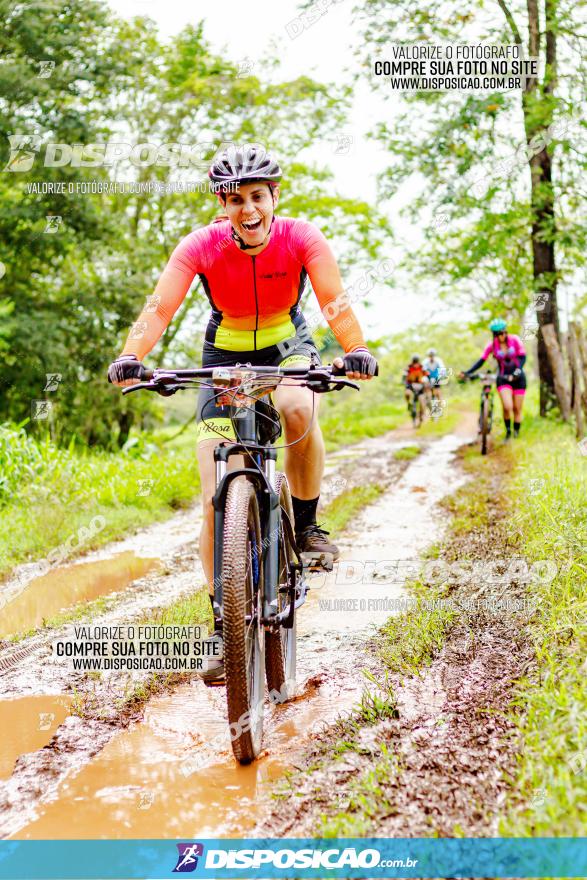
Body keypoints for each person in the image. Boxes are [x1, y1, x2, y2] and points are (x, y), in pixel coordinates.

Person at [108, 144, 378, 680]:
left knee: (299, 404)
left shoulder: (302, 237)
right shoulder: (201, 245)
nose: (248, 209)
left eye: (257, 196)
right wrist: (131, 357)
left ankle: (305, 527)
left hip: (287, 346)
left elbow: (334, 303)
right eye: (235, 200)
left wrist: (355, 349)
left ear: (274, 196)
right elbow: (160, 308)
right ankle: (221, 623)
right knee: (213, 469)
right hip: (222, 357)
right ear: (222, 203)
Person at [459, 318, 527, 439]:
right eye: (499, 334)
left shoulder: (515, 340)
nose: (502, 335)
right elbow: (481, 361)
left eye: (503, 332)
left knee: (517, 408)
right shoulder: (492, 346)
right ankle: (508, 432)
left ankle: (516, 434)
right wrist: (467, 372)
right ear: (494, 335)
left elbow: (522, 357)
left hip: (518, 378)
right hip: (503, 377)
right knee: (507, 406)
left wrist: (518, 371)